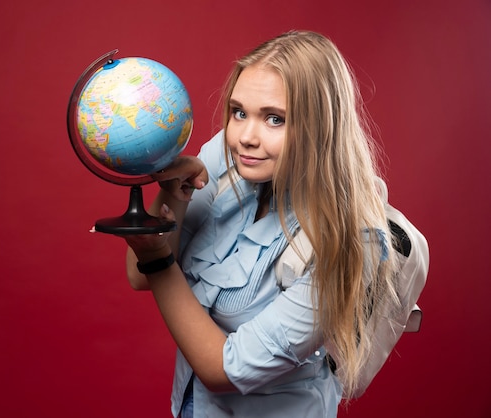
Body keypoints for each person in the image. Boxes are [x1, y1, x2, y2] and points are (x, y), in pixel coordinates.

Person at [120, 30, 399, 417]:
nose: (245, 136)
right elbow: (140, 276)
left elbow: (223, 370)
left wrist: (157, 258)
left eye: (274, 119)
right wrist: (172, 193)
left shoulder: (353, 238)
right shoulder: (227, 155)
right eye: (239, 112)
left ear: (322, 128)